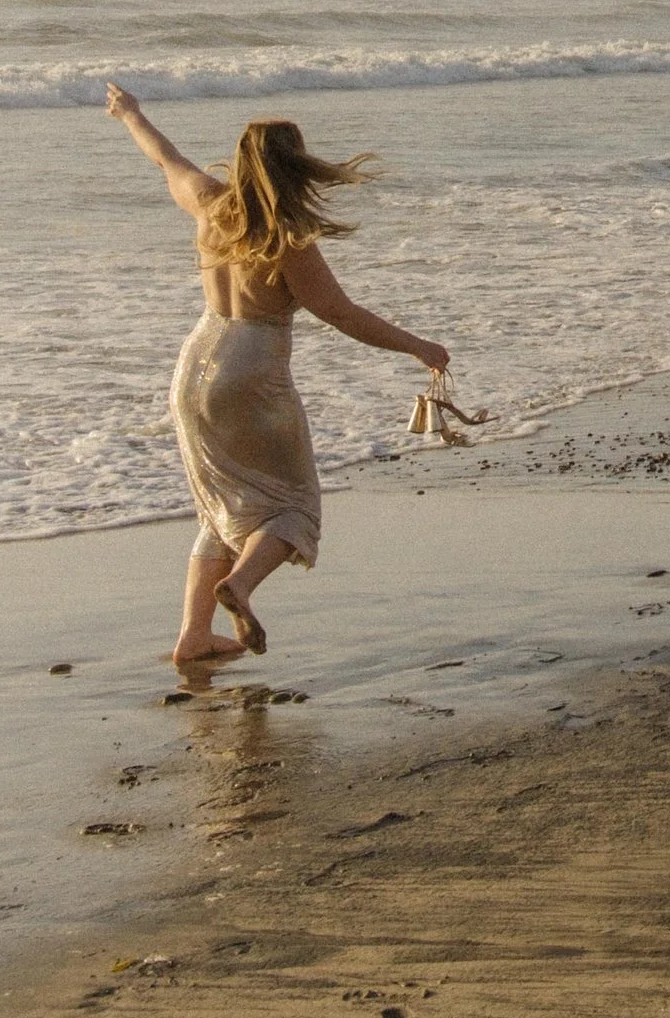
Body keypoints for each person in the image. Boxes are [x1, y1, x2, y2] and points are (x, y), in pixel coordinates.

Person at [106, 85, 449, 669]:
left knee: (220, 504)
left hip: (194, 364)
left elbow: (164, 157)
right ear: (294, 167)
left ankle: (193, 635)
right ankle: (240, 586)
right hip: (252, 370)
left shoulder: (211, 204)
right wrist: (420, 347)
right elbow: (342, 315)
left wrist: (131, 114)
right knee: (293, 505)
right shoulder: (288, 239)